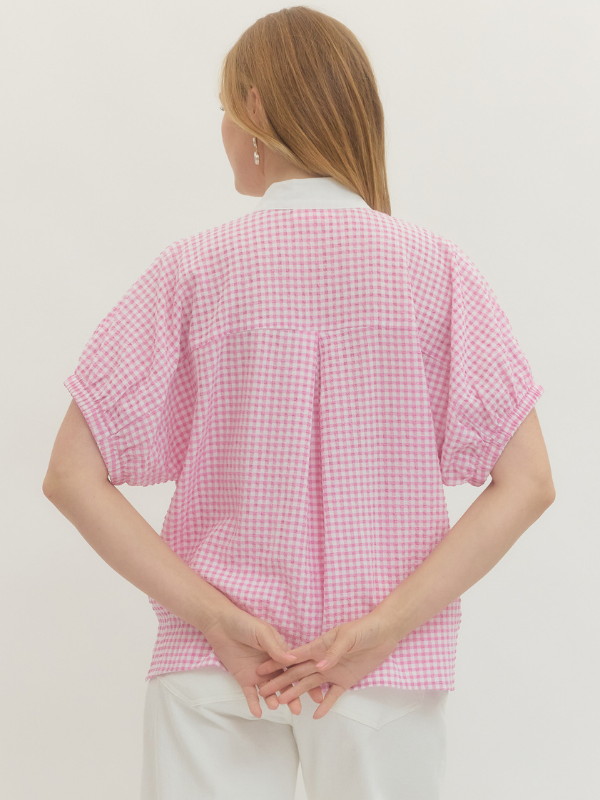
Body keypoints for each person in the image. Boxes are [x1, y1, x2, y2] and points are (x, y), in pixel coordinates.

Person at [42, 6, 555, 800]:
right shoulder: (432, 269)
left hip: (214, 668)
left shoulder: (194, 270)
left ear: (252, 108)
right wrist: (383, 630)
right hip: (379, 675)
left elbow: (71, 476)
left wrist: (216, 620)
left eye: (222, 109)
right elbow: (529, 484)